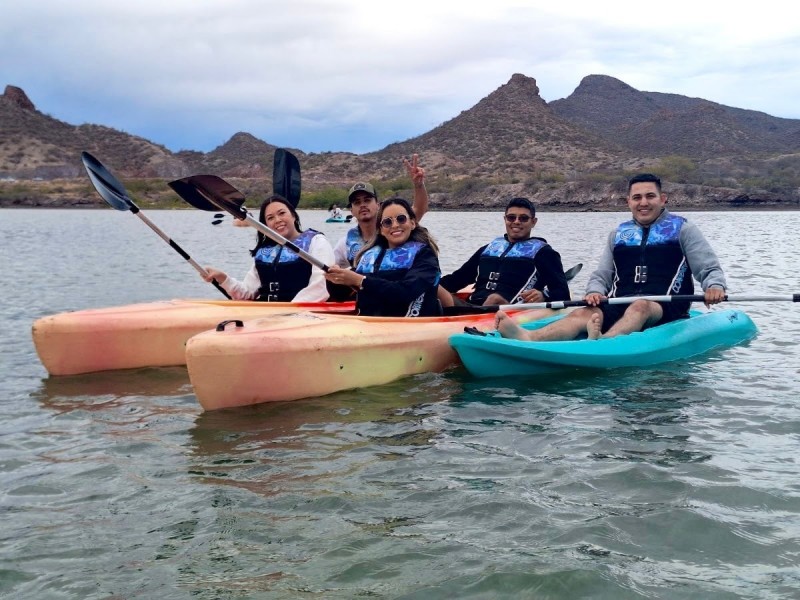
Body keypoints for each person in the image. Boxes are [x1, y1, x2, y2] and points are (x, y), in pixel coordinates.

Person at [495, 173, 727, 341]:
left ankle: (604, 342)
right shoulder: (619, 234)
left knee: (640, 306)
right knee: (584, 313)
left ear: (662, 199)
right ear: (628, 201)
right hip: (620, 302)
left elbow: (707, 266)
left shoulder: (683, 229)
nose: (643, 202)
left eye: (650, 196)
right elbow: (603, 273)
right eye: (637, 197)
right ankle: (528, 337)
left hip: (665, 307)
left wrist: (714, 286)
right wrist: (594, 291)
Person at [437, 197, 571, 307]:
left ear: (533, 222)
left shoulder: (545, 253)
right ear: (505, 219)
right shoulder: (488, 249)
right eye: (511, 218)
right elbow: (458, 278)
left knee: (493, 298)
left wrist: (544, 295)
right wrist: (431, 286)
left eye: (523, 218)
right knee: (432, 285)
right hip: (472, 307)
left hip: (510, 310)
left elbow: (562, 292)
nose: (517, 222)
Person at [201, 194, 335, 302]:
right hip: (267, 315)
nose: (277, 220)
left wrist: (289, 313)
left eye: (282, 213)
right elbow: (247, 293)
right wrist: (223, 278)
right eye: (270, 218)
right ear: (266, 225)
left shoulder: (316, 241)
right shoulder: (264, 251)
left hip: (301, 316)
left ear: (293, 215)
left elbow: (321, 287)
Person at [324, 197, 441, 317]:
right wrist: (334, 279)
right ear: (380, 230)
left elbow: (406, 292)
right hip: (370, 325)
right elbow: (339, 296)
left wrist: (360, 281)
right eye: (387, 222)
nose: (395, 225)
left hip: (412, 326)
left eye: (401, 219)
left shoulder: (425, 255)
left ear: (412, 223)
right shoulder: (369, 256)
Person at [333, 153, 429, 269]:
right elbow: (331, 273)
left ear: (378, 205)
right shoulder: (344, 245)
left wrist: (418, 185)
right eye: (357, 202)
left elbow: (419, 209)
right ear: (351, 211)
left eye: (367, 200)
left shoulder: (394, 229)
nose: (362, 205)